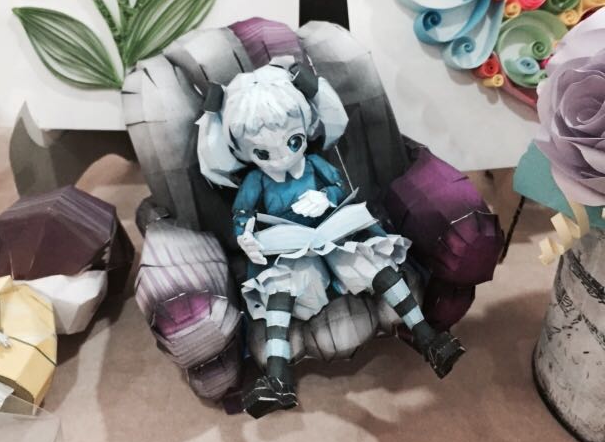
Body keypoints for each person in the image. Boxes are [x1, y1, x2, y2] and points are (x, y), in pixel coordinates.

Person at [197, 60, 465, 418]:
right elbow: (242, 213)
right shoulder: (256, 181)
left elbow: (338, 187)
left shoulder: (314, 165)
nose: (281, 158)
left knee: (372, 264)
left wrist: (325, 198)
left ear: (305, 131)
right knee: (280, 291)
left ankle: (427, 336)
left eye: (293, 142)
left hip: (333, 236)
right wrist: (245, 235)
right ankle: (277, 378)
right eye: (263, 153)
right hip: (293, 252)